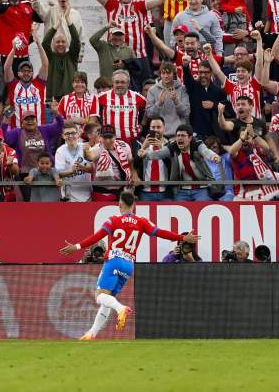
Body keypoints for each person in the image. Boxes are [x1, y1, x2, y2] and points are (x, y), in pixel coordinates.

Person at [59, 191, 199, 340]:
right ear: (134, 205)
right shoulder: (142, 221)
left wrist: (77, 246)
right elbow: (160, 233)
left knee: (100, 296)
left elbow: (96, 237)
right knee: (108, 300)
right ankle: (92, 334)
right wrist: (182, 237)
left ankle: (121, 308)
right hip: (128, 265)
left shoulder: (113, 220)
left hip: (114, 260)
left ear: (119, 204)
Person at [140, 123, 220, 201]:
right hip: (182, 190)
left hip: (201, 188)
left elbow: (205, 151)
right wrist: (145, 154)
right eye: (178, 136)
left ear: (190, 138)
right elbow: (159, 153)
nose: (180, 138)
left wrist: (213, 156)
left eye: (183, 136)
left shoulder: (197, 144)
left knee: (202, 204)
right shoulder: (173, 147)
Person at [84, 123, 140, 202]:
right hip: (102, 192)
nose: (107, 141)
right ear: (100, 137)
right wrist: (85, 152)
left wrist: (134, 174)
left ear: (115, 136)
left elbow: (130, 162)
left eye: (110, 137)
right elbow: (90, 157)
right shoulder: (97, 148)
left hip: (122, 191)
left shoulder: (124, 146)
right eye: (104, 137)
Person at [94, 70, 147, 143]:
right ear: (113, 83)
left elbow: (148, 110)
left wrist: (142, 124)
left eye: (122, 82)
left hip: (131, 141)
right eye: (117, 82)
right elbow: (94, 118)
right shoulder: (101, 97)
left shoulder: (138, 97)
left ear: (128, 83)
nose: (119, 85)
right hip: (109, 141)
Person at [42, 6, 81, 100]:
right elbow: (45, 43)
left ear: (67, 43)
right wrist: (56, 25)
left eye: (63, 42)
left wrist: (67, 19)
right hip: (52, 99)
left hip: (71, 98)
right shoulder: (50, 56)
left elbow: (76, 40)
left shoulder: (72, 56)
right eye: (57, 42)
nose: (60, 44)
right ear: (53, 44)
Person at [145, 62, 190, 138]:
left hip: (178, 133)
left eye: (168, 73)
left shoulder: (182, 89)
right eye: (163, 73)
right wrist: (159, 103)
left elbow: (186, 112)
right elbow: (149, 114)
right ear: (160, 75)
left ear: (174, 74)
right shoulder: (152, 90)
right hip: (159, 134)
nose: (166, 76)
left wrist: (176, 101)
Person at [133, 117, 171, 201]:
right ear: (149, 128)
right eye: (153, 127)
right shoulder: (140, 145)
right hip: (145, 192)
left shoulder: (170, 145)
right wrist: (143, 147)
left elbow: (173, 165)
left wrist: (162, 148)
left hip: (166, 192)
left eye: (158, 127)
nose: (156, 130)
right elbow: (135, 165)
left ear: (164, 128)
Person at [55, 122, 93, 202]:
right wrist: (71, 171)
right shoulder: (60, 151)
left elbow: (93, 169)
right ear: (63, 136)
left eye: (73, 133)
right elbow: (58, 173)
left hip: (87, 194)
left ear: (78, 133)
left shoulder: (85, 147)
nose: (70, 136)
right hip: (68, 197)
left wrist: (83, 168)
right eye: (67, 134)